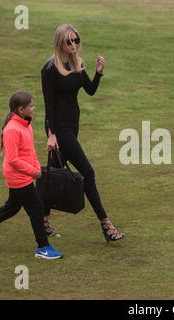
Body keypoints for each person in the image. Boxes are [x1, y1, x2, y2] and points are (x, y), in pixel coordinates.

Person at [41, 24, 124, 242]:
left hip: (72, 126)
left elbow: (90, 90)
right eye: (69, 41)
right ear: (60, 42)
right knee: (88, 172)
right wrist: (51, 133)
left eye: (76, 40)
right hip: (59, 129)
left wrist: (98, 72)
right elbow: (48, 104)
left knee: (54, 175)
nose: (74, 45)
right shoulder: (50, 69)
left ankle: (43, 220)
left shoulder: (76, 63)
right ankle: (106, 224)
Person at [0, 91, 63, 260]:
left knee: (11, 207)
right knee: (36, 209)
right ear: (21, 109)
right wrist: (32, 171)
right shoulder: (12, 129)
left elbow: (29, 150)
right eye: (31, 106)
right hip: (18, 176)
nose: (34, 108)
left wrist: (36, 167)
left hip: (25, 173)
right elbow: (12, 159)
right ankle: (42, 247)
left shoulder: (26, 124)